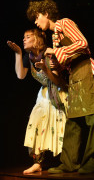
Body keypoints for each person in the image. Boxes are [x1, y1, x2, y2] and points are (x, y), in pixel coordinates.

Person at [26, 0, 94, 174]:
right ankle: (69, 163)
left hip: (87, 72)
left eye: (37, 17)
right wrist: (56, 66)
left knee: (92, 119)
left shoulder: (64, 23)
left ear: (46, 14)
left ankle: (93, 160)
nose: (36, 23)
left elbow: (83, 43)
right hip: (74, 77)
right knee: (73, 121)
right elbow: (65, 58)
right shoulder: (55, 37)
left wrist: (57, 52)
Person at [7, 28, 68, 174]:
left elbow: (58, 81)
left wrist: (46, 70)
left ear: (37, 39)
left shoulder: (49, 52)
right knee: (35, 123)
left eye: (28, 36)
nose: (24, 39)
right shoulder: (29, 56)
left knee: (62, 127)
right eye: (23, 37)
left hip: (59, 93)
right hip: (44, 93)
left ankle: (70, 160)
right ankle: (37, 162)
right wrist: (18, 54)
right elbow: (21, 75)